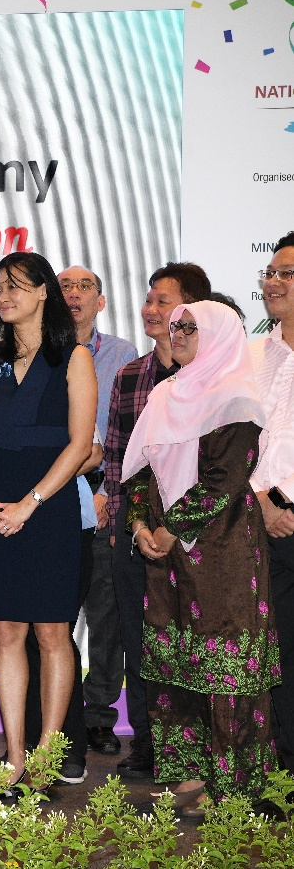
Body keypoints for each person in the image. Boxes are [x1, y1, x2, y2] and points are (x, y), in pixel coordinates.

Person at [123, 300, 278, 816]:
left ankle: (232, 787)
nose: (180, 333)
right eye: (176, 326)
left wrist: (169, 529)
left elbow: (224, 482)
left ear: (219, 336)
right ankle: (189, 776)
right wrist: (142, 524)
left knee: (224, 668)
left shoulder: (237, 399)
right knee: (174, 667)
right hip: (167, 556)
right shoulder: (167, 394)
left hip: (223, 554)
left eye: (192, 327)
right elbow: (140, 471)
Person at [0, 252, 96, 795]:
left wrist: (30, 502)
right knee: (7, 632)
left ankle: (46, 754)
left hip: (49, 507)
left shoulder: (74, 356)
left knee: (52, 632)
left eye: (17, 286)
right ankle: (14, 757)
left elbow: (80, 445)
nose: (5, 295)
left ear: (44, 293)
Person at [102, 261, 212, 780]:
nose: (150, 309)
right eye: (148, 300)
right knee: (138, 641)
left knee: (195, 644)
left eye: (163, 301)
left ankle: (200, 751)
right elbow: (118, 460)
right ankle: (148, 744)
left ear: (193, 312)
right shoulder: (128, 376)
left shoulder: (212, 378)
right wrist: (134, 525)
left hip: (201, 539)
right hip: (136, 534)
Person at [56, 265, 140, 761]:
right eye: (65, 285)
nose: (74, 294)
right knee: (55, 617)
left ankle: (99, 716)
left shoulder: (122, 355)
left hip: (103, 493)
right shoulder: (42, 350)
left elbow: (124, 434)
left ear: (101, 301)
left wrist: (109, 489)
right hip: (51, 498)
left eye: (84, 286)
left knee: (106, 616)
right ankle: (60, 713)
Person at [249, 232, 294, 770]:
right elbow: (230, 443)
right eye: (272, 271)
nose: (273, 282)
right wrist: (259, 499)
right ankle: (282, 771)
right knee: (276, 655)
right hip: (262, 519)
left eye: (287, 273)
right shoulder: (250, 354)